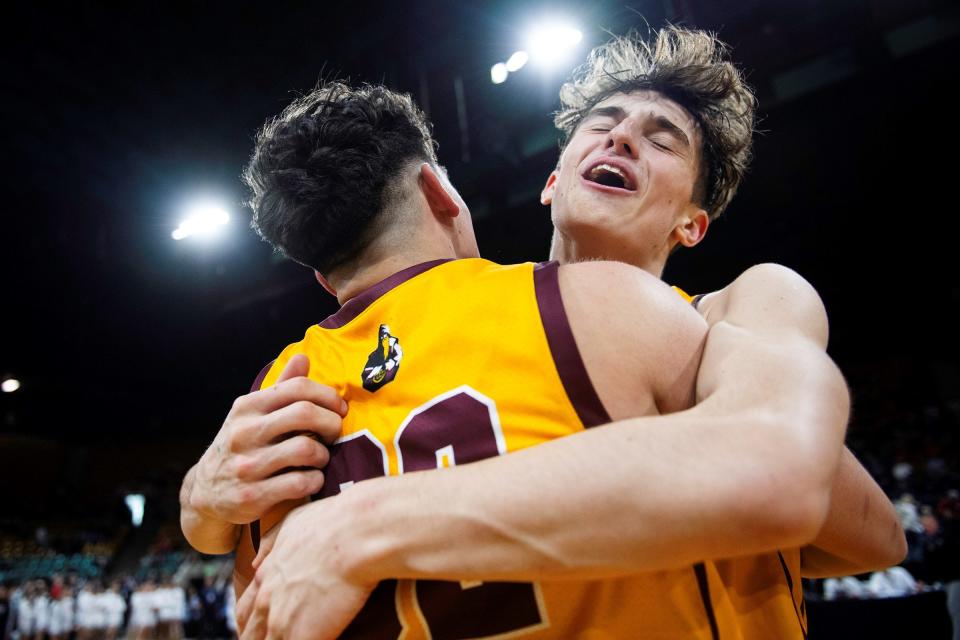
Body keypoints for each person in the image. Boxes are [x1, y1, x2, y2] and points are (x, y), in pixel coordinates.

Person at [180, 27, 904, 639]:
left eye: (662, 141)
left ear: (692, 222)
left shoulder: (741, 306)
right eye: (605, 122)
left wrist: (356, 528)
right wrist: (200, 500)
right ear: (552, 179)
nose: (623, 135)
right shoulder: (463, 319)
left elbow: (864, 528)